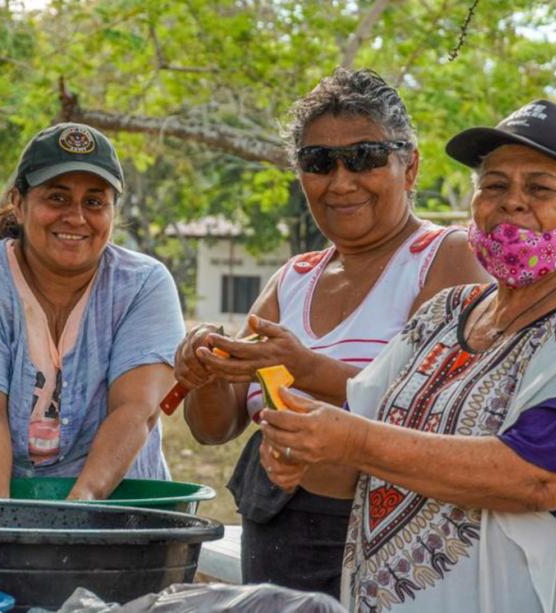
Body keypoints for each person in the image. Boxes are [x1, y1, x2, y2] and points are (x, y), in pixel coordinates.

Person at [259, 99, 556, 612]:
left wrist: (348, 439)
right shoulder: (443, 315)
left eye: (539, 188)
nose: (511, 203)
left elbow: (541, 477)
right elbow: (349, 460)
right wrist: (298, 452)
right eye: (494, 186)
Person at [173, 68, 489, 595]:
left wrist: (307, 369)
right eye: (319, 162)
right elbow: (215, 429)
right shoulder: (292, 279)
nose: (341, 181)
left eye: (364, 157)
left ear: (409, 167)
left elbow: (446, 412)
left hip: (390, 537)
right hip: (277, 530)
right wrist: (205, 371)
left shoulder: (446, 257)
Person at [0, 123, 184, 500]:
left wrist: (79, 510)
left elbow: (136, 409)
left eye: (94, 202)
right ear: (19, 201)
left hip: (117, 507)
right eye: (57, 198)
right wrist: (0, 524)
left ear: (113, 210)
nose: (76, 217)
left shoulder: (144, 285)